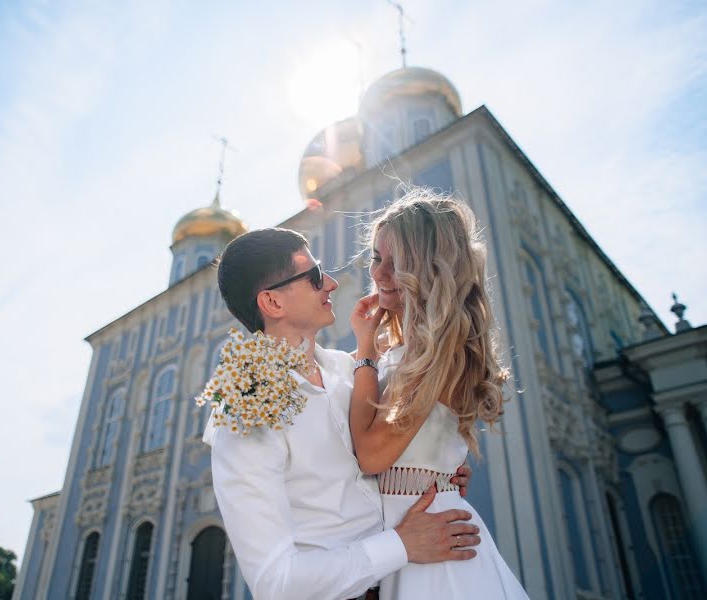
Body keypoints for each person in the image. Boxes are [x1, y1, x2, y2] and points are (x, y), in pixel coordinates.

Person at [208, 227, 479, 600]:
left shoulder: (351, 371)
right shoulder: (245, 413)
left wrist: (433, 470)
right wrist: (400, 545)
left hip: (415, 586)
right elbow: (276, 583)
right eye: (315, 276)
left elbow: (392, 451)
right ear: (272, 303)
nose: (332, 284)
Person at [349, 189, 529, 598]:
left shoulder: (430, 352)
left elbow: (372, 455)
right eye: (377, 258)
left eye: (399, 264)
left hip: (432, 548)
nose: (379, 275)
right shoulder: (411, 350)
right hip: (415, 533)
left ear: (431, 269)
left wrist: (364, 353)